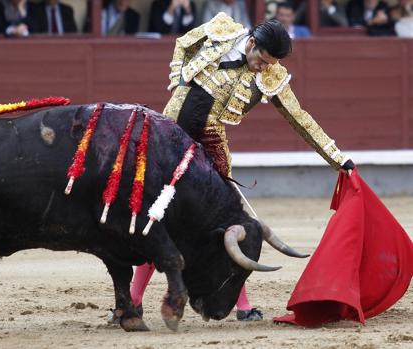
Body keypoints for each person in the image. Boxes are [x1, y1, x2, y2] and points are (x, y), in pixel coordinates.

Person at [129, 13, 355, 323]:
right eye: (262, 60)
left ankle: (243, 305)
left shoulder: (271, 76)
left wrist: (337, 159)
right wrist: (176, 78)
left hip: (211, 143)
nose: (264, 68)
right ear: (251, 43)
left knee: (232, 222)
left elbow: (300, 119)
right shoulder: (223, 30)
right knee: (157, 215)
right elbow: (183, 43)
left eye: (270, 64)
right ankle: (131, 300)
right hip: (170, 132)